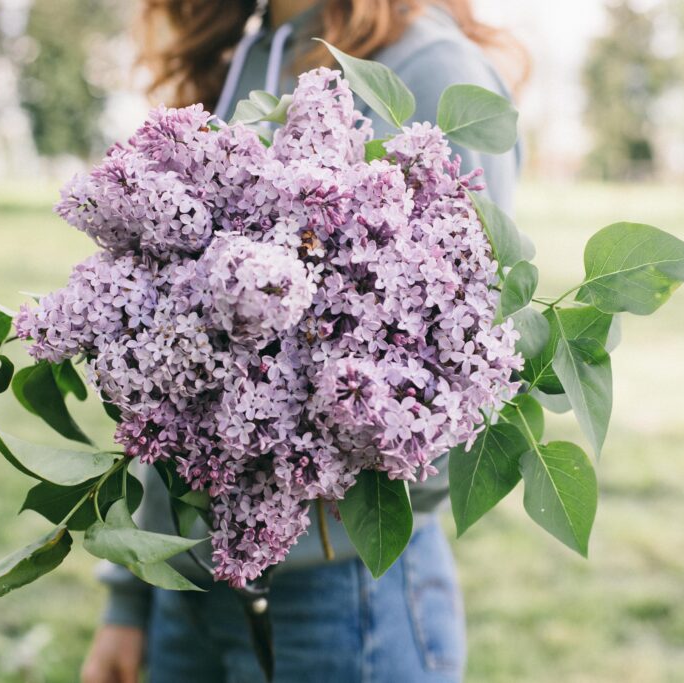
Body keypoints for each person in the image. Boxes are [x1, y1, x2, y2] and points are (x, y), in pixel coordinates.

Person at [81, 1, 527, 681]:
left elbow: (467, 369)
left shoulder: (431, 68)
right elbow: (176, 388)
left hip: (342, 601)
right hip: (191, 583)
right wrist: (132, 594)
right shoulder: (252, 57)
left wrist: (312, 449)